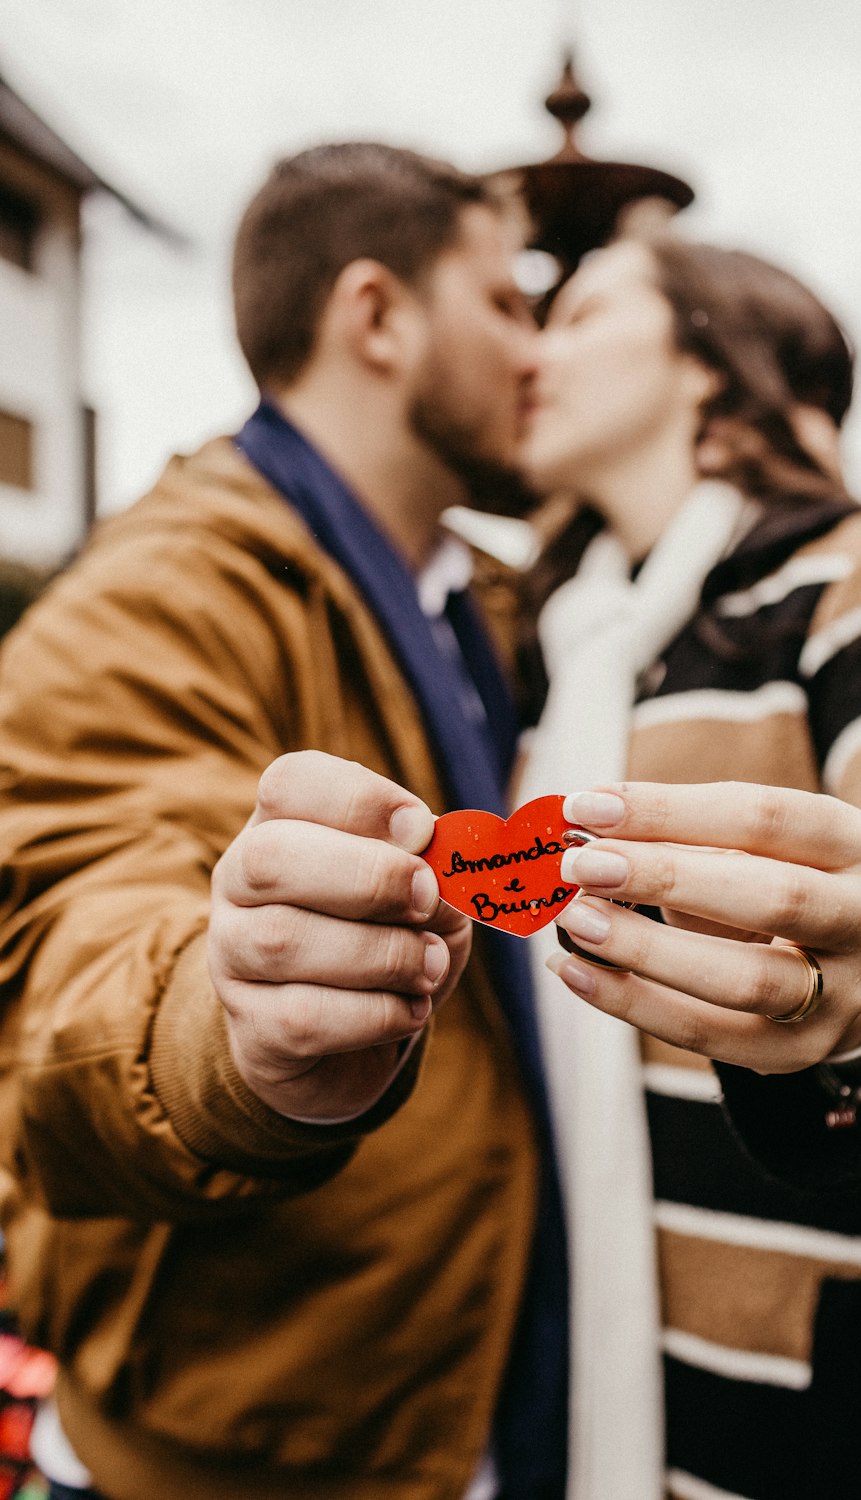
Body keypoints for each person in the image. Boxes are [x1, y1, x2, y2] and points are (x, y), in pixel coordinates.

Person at [0, 142, 570, 1500]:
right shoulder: (158, 594)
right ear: (376, 316)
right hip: (237, 1453)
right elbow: (63, 970)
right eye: (506, 304)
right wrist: (235, 1035)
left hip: (446, 1415)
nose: (537, 354)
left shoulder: (481, 602)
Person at [515, 233, 861, 1500]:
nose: (535, 346)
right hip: (604, 1359)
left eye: (579, 311)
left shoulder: (844, 570)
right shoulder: (565, 638)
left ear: (704, 365)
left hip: (828, 1372)